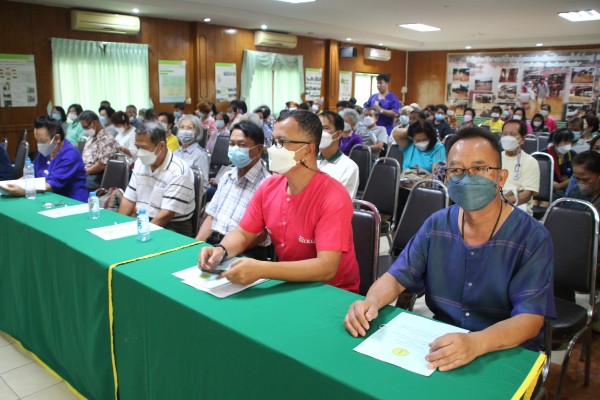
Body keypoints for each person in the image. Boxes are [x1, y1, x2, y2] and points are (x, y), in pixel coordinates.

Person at [344, 127, 555, 371]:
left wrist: (477, 343)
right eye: (456, 170)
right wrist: (370, 303)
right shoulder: (437, 224)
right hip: (443, 343)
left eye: (479, 168)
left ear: (501, 177)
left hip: (504, 351)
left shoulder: (531, 236)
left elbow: (530, 319)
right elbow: (396, 277)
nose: (467, 178)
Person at [198, 110, 360, 293]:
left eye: (282, 142)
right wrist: (222, 249)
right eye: (273, 141)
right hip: (290, 283)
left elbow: (327, 268)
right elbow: (244, 233)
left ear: (308, 149)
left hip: (334, 291)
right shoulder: (269, 187)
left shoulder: (333, 196)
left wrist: (262, 269)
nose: (273, 150)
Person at [196, 122, 271, 259]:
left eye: (242, 145)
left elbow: (262, 234)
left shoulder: (268, 185)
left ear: (259, 149)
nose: (235, 149)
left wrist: (224, 251)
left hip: (246, 250)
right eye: (232, 144)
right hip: (214, 243)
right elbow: (211, 216)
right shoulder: (227, 176)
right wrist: (195, 245)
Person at [119, 121, 195, 236]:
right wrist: (120, 227)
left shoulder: (178, 171)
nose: (139, 153)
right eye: (137, 147)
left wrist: (142, 233)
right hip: (143, 219)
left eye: (144, 148)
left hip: (172, 226)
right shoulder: (140, 163)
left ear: (161, 146)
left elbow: (166, 214)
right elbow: (129, 200)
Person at [1, 116, 87, 201]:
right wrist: (10, 185)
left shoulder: (70, 155)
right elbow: (31, 174)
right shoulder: (46, 152)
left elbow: (52, 184)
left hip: (71, 201)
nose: (39, 145)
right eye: (37, 141)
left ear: (57, 139)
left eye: (42, 141)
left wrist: (24, 191)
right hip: (48, 198)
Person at [500, 120, 540, 215]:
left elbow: (527, 194)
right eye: (505, 134)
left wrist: (503, 202)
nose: (507, 138)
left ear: (522, 139)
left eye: (512, 134)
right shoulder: (494, 158)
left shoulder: (530, 162)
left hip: (518, 209)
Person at [318, 111, 359, 197]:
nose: (319, 132)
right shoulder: (308, 160)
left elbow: (343, 202)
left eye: (325, 128)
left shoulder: (349, 168)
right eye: (316, 128)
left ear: (338, 134)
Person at [80, 111, 118, 191]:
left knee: (75, 184)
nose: (85, 130)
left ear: (94, 123)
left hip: (96, 176)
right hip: (85, 172)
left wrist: (84, 172)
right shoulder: (91, 137)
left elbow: (102, 165)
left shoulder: (107, 139)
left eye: (86, 127)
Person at [173, 114, 210, 191]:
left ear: (197, 132)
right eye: (182, 127)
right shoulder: (175, 153)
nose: (184, 131)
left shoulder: (200, 155)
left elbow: (203, 185)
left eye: (189, 128)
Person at [544, 128, 576, 200]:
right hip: (546, 187)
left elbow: (575, 176)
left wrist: (560, 185)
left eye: (570, 142)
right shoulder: (544, 154)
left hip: (565, 189)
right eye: (565, 142)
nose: (568, 145)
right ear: (555, 143)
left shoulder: (573, 154)